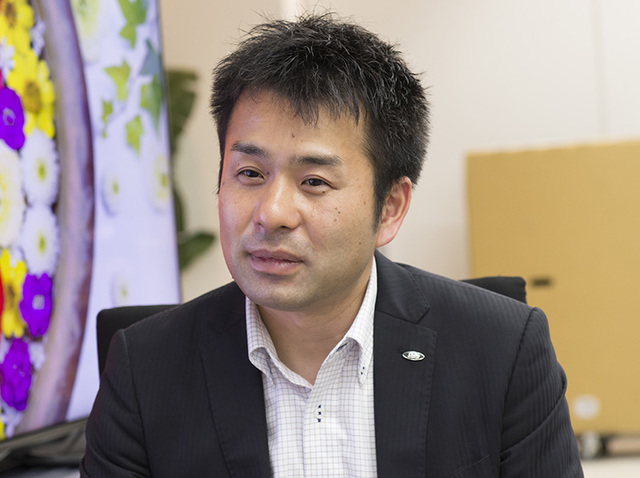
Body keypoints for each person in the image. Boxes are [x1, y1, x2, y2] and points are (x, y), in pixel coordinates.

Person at [81, 13, 583, 477]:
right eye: (250, 173)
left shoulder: (502, 350)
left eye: (314, 182)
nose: (272, 213)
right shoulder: (145, 371)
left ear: (390, 208)